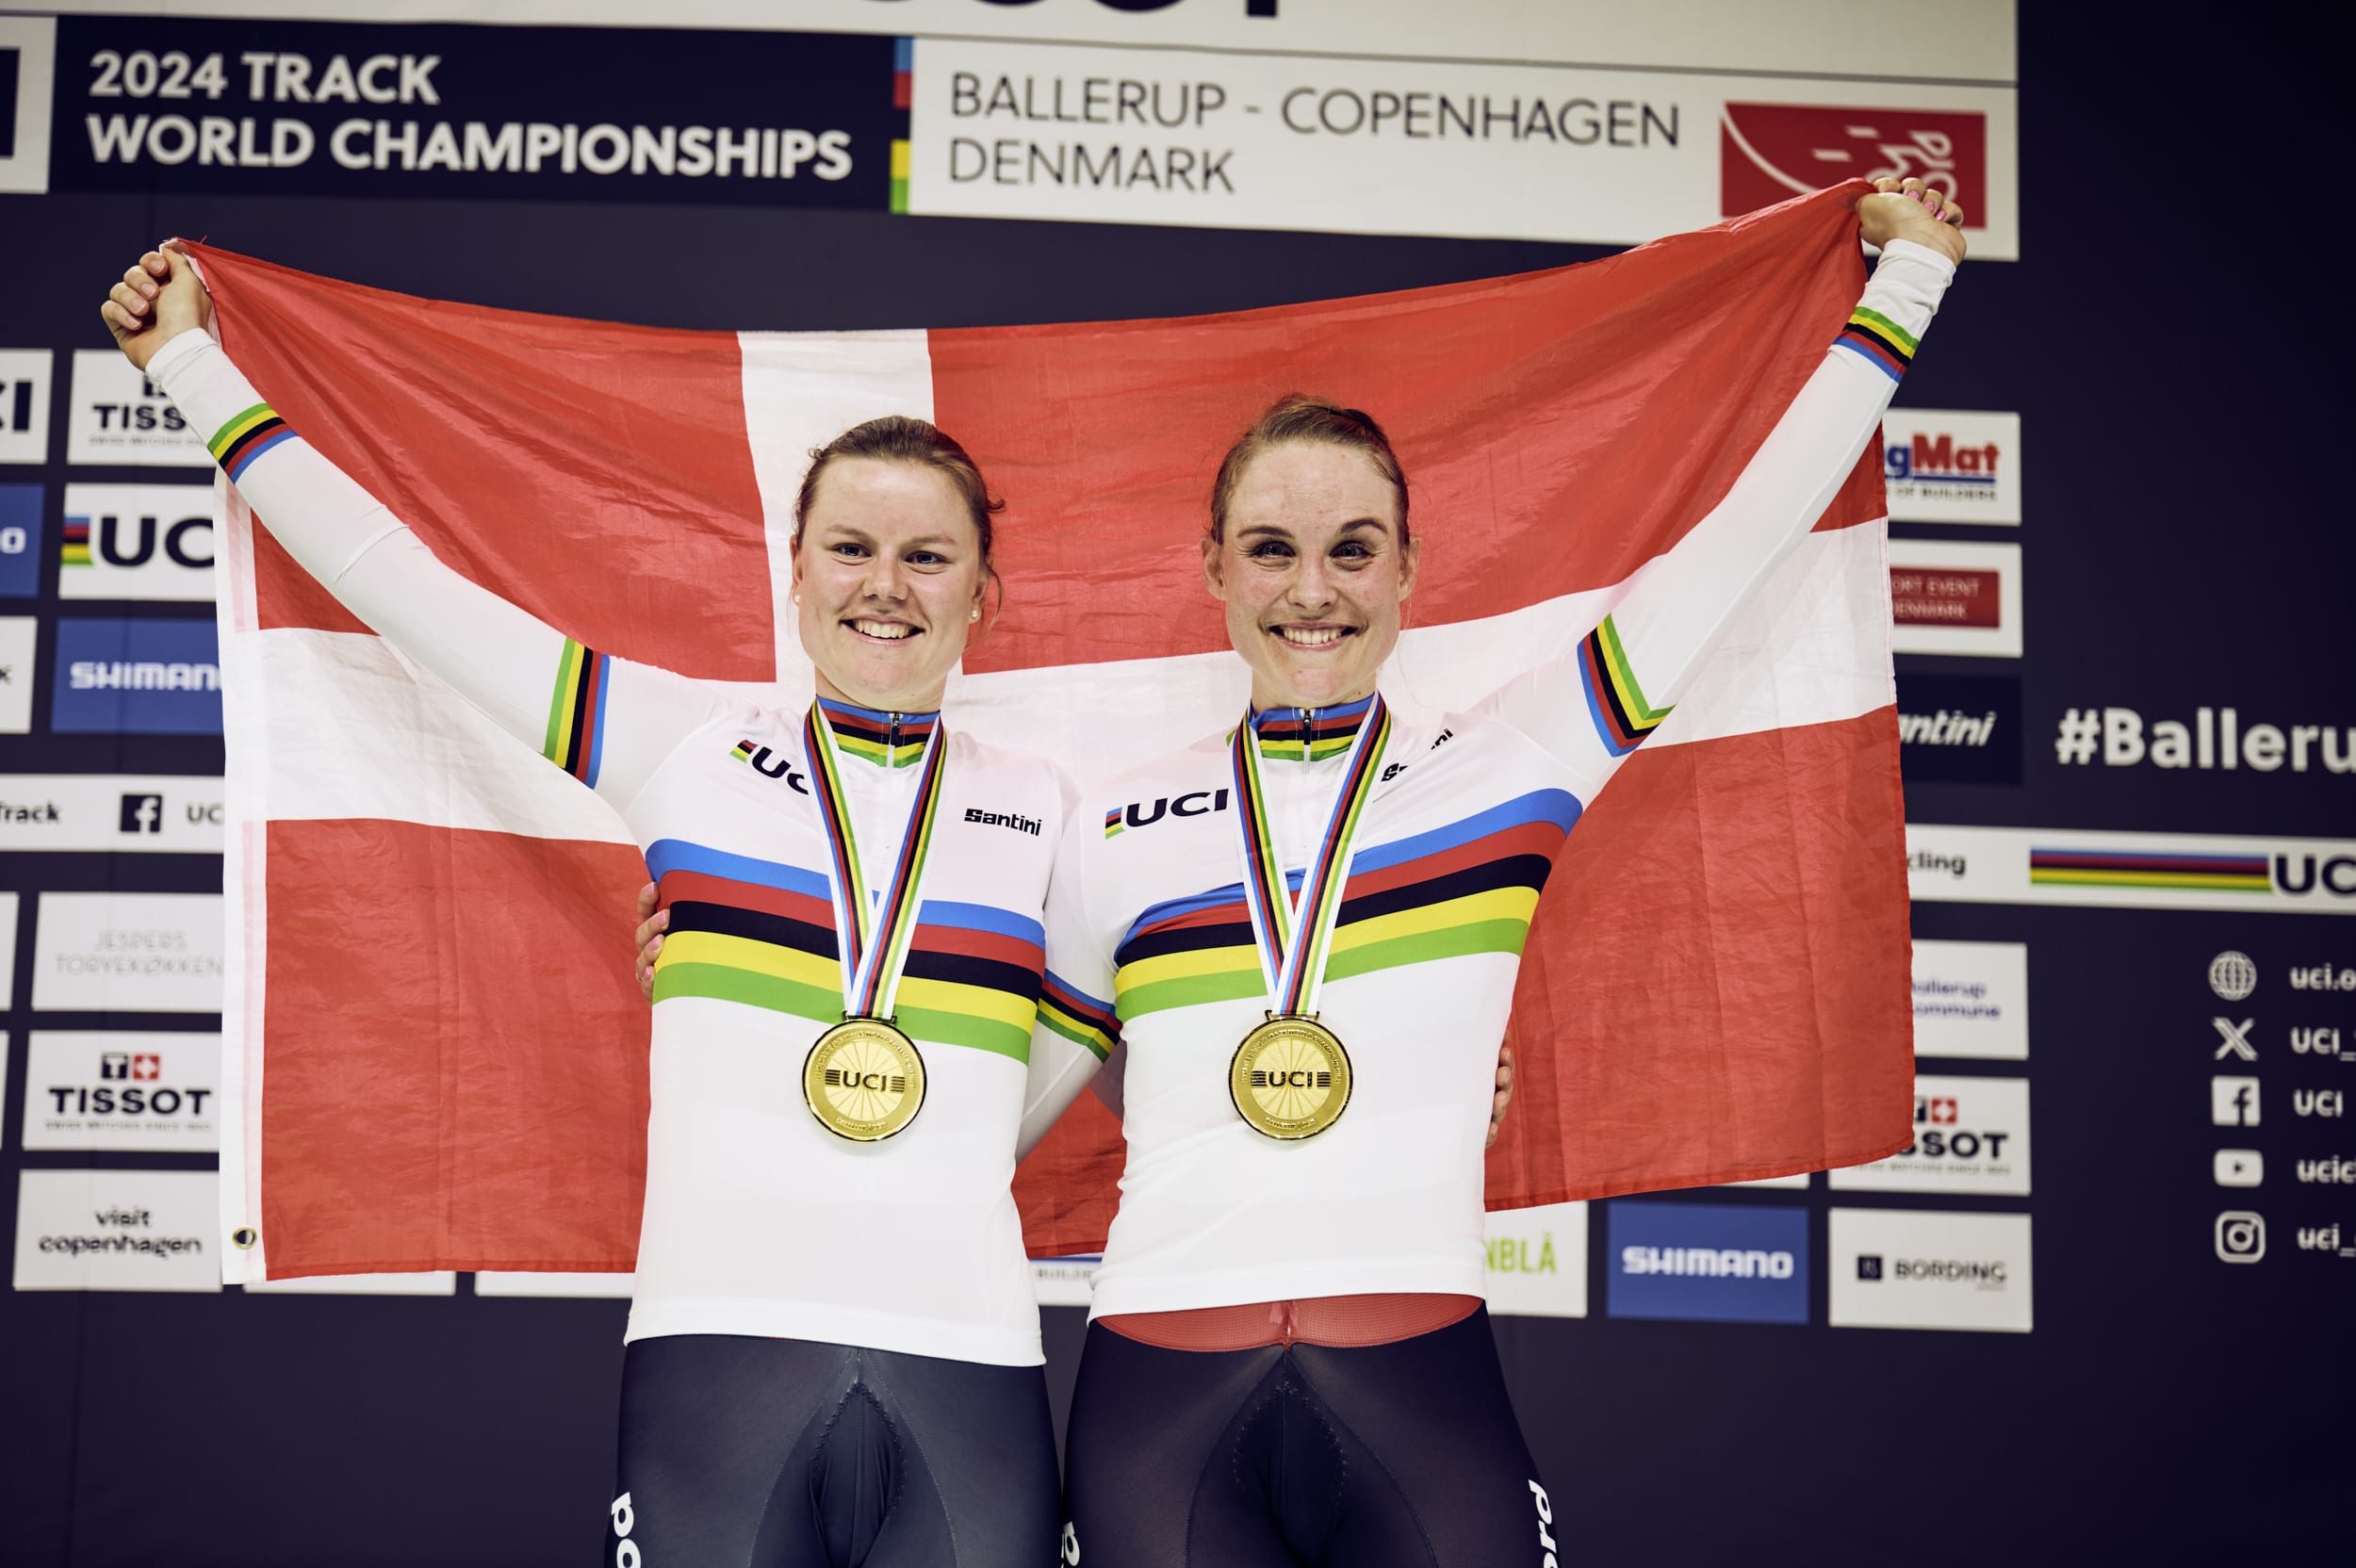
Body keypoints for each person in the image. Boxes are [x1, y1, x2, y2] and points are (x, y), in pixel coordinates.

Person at [1022, 178, 1966, 1564]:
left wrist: (1910, 290)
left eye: (1355, 550)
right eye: (1272, 550)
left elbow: (1745, 534)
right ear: (1211, 569)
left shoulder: (1519, 760)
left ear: (1410, 572)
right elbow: (982, 1111)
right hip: (1158, 1383)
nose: (1314, 590)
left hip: (1416, 1372)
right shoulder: (1104, 825)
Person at [102, 255, 1071, 1565]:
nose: (884, 584)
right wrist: (192, 367)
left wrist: (941, 1136)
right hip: (718, 1350)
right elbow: (408, 591)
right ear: (794, 572)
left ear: (981, 594)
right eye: (850, 548)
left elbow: (1138, 1011)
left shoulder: (1056, 813)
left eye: (926, 555)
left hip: (973, 1356)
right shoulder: (679, 745)